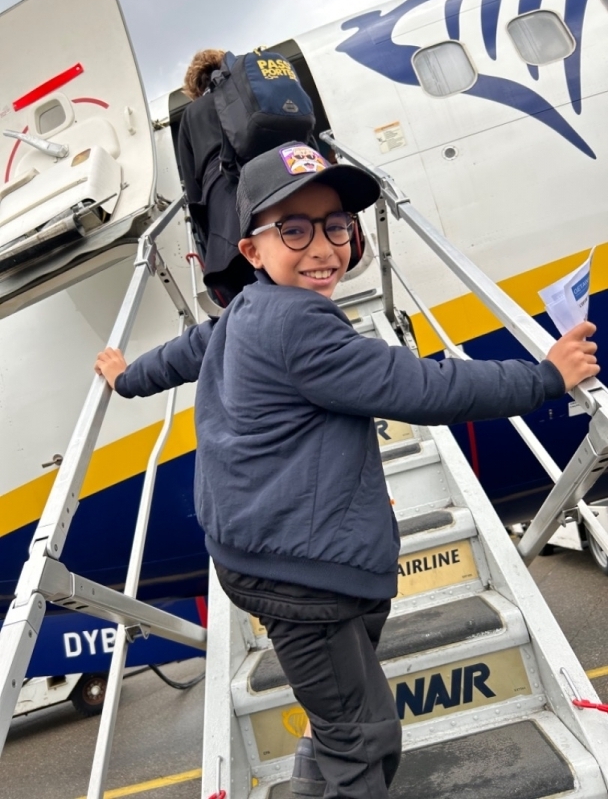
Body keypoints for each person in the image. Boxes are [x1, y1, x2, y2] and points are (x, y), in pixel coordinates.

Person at [95, 142, 600, 799]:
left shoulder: (246, 310)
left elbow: (186, 349)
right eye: (294, 229)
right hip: (301, 575)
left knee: (341, 718)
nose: (323, 248)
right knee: (361, 740)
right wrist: (544, 377)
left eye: (336, 226)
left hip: (276, 553)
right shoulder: (299, 325)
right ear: (252, 251)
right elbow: (424, 387)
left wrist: (127, 378)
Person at [179, 47, 256, 306]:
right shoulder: (244, 93)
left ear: (195, 86)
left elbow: (193, 189)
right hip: (268, 180)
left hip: (225, 203)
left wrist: (208, 233)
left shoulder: (192, 113)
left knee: (249, 294)